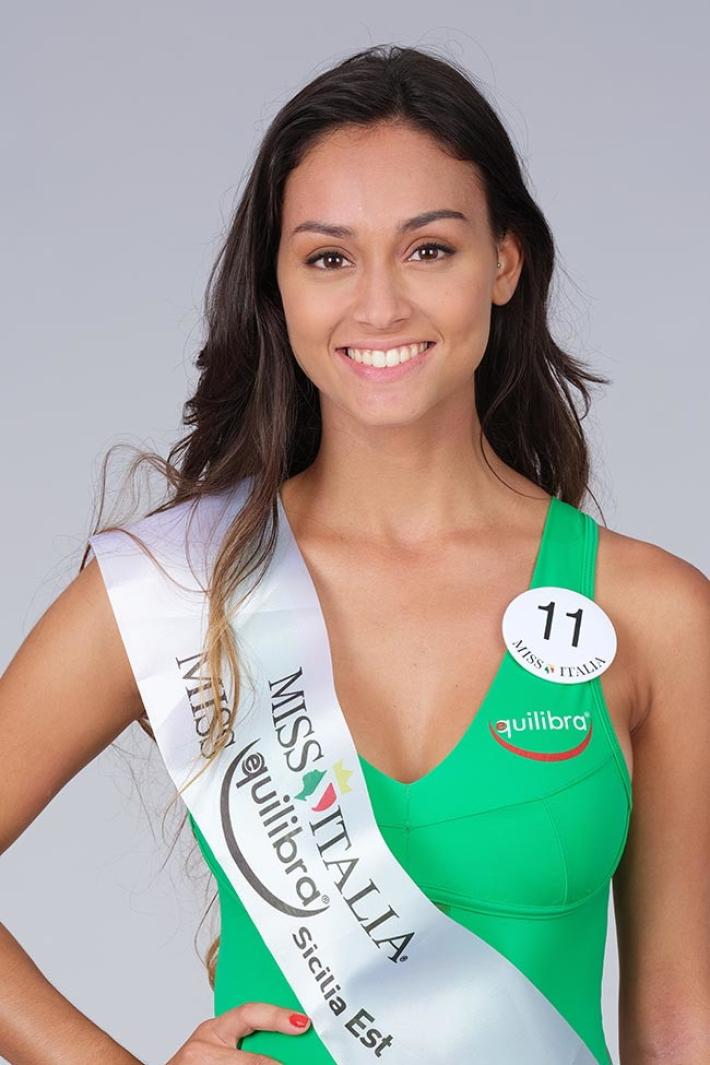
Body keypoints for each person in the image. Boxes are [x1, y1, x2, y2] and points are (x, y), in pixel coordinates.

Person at [1, 42, 708, 1065]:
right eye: (328, 258)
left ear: (503, 264)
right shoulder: (180, 587)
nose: (379, 306)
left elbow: (680, 1019)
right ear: (279, 284)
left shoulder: (655, 616)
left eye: (429, 249)